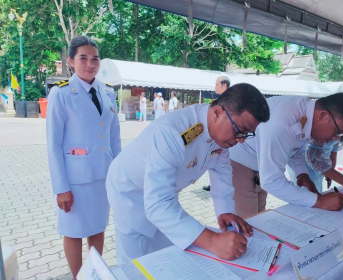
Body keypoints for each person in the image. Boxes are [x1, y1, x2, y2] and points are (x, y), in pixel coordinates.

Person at [106, 83, 270, 264]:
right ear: (217, 113)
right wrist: (212, 241)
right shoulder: (172, 132)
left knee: (164, 253)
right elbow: (158, 205)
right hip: (131, 192)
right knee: (134, 262)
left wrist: (225, 212)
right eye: (239, 132)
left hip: (164, 193)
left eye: (246, 135)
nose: (240, 140)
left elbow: (222, 176)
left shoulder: (221, 136)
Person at [46, 36, 121, 278]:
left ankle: (94, 273)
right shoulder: (62, 94)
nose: (90, 64)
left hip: (103, 174)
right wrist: (61, 187)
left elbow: (114, 140)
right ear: (70, 61)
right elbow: (54, 145)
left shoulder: (108, 93)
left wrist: (119, 175)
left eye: (95, 58)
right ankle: (79, 275)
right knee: (74, 230)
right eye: (83, 58)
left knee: (98, 227)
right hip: (75, 179)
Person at [229, 93, 343, 218]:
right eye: (338, 131)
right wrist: (320, 201)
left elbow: (294, 149)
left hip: (260, 166)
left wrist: (302, 174)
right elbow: (271, 181)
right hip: (241, 164)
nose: (335, 139)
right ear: (323, 116)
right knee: (249, 225)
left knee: (260, 217)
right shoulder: (282, 122)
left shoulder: (306, 114)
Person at [287, 79, 343, 192]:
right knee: (307, 199)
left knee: (315, 198)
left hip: (320, 168)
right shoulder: (335, 114)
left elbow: (334, 148)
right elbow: (314, 159)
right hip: (303, 168)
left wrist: (331, 170)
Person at [203, 76, 230, 192]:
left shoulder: (229, 100)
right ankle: (216, 185)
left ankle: (219, 186)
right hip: (219, 136)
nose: (215, 87)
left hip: (224, 136)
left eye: (217, 84)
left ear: (224, 85)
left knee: (219, 160)